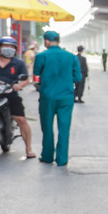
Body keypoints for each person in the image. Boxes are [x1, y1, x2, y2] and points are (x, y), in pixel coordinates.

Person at [33, 30, 82, 166]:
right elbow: (78, 77)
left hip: (47, 97)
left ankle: (47, 156)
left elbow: (36, 78)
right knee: (64, 128)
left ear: (46, 41)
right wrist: (66, 81)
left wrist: (44, 83)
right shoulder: (71, 57)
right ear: (58, 41)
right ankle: (62, 159)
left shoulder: (41, 56)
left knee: (47, 127)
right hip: (66, 97)